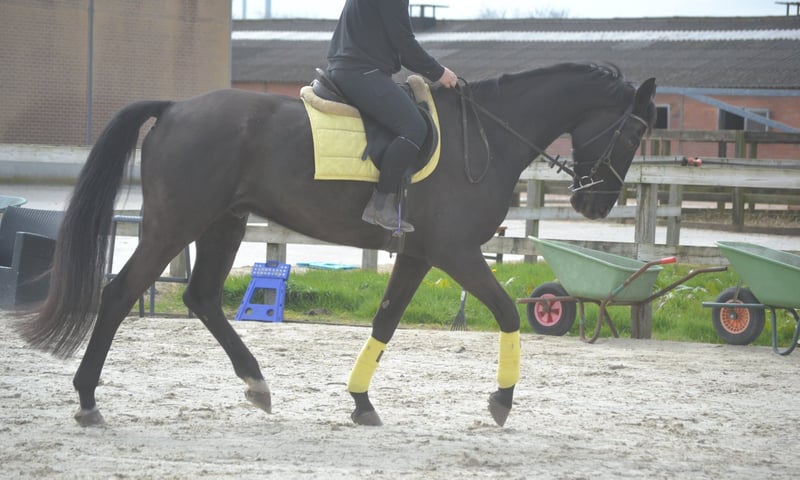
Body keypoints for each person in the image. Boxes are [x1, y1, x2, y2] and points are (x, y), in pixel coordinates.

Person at [327, 0, 458, 233]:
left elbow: (397, 44)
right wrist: (439, 72)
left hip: (347, 67)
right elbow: (404, 44)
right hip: (362, 71)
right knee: (414, 128)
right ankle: (380, 203)